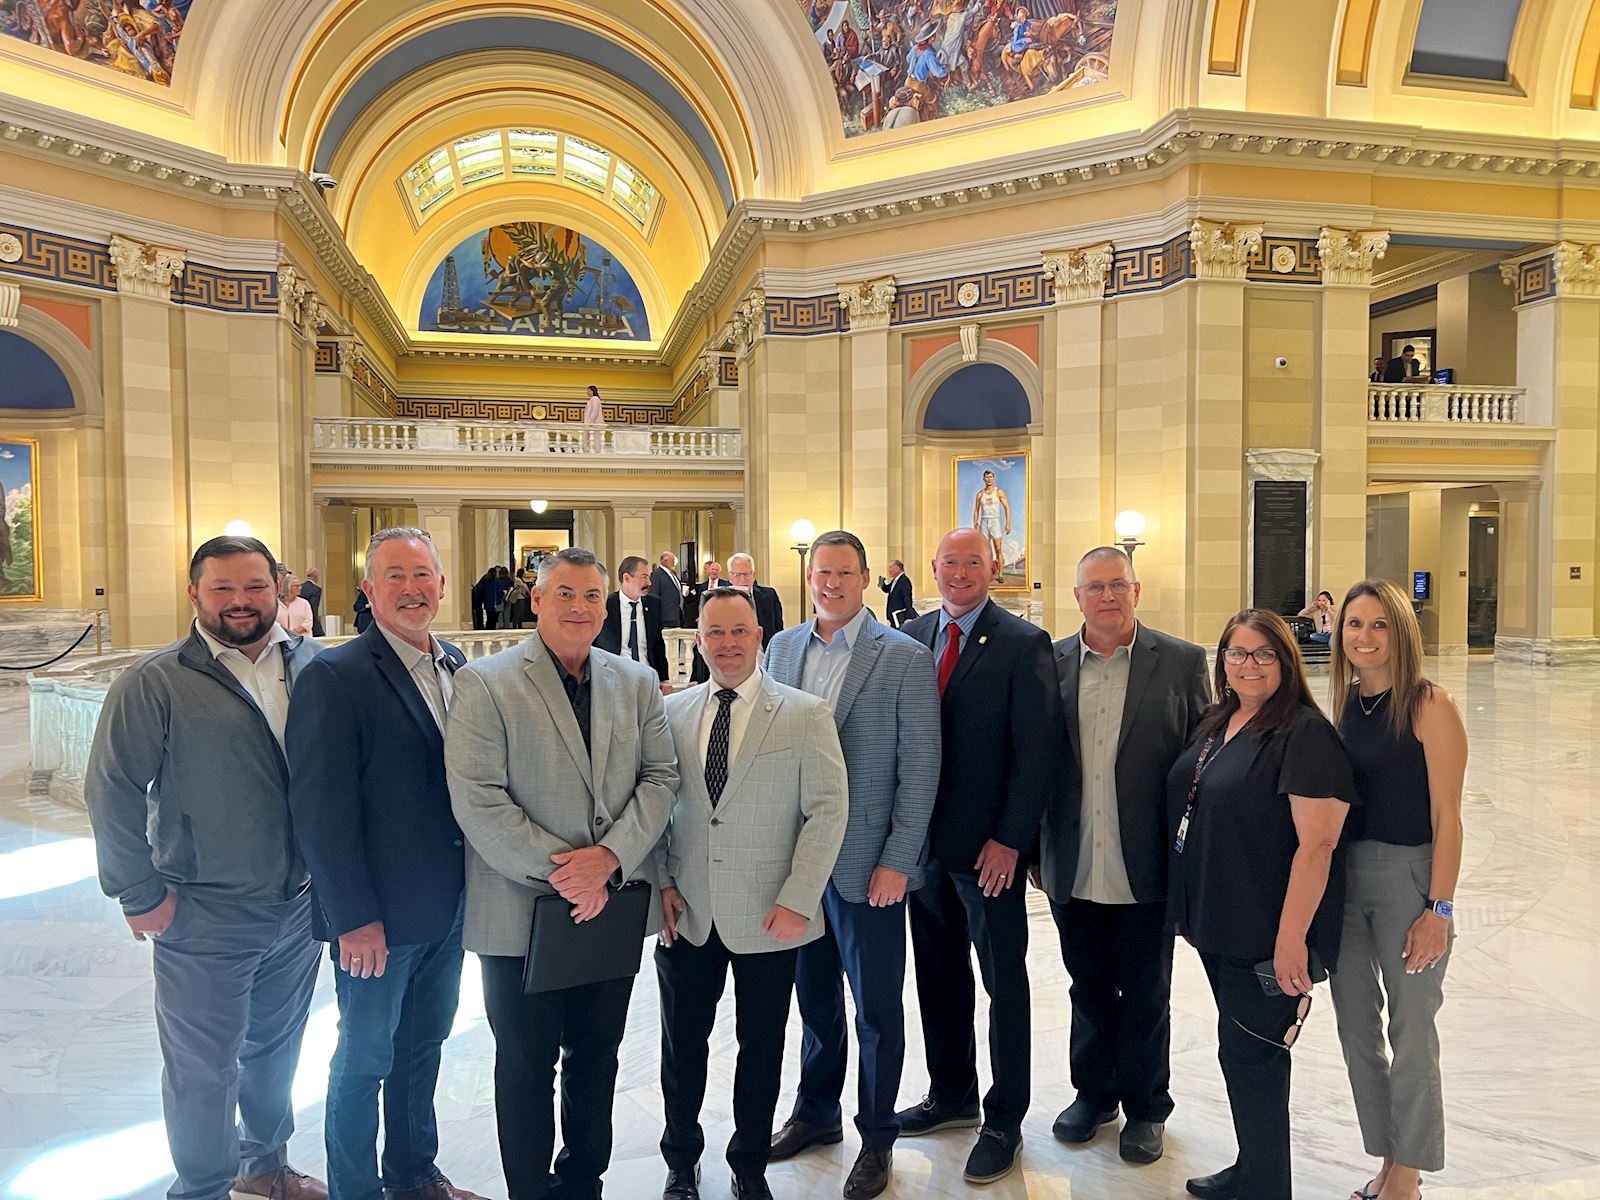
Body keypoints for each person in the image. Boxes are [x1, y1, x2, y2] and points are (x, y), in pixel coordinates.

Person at [84, 535, 328, 1200]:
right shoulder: (155, 680)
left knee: (276, 1050)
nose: (241, 601)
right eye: (223, 588)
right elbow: (111, 789)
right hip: (204, 910)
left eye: (254, 586)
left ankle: (263, 1166)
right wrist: (137, 892)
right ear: (195, 594)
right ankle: (200, 1188)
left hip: (300, 906)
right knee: (203, 1066)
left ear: (279, 587)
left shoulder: (314, 667)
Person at [445, 547, 678, 1200]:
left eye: (592, 596)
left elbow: (662, 778)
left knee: (596, 1059)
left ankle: (583, 1185)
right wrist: (568, 874)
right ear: (537, 600)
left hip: (608, 906)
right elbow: (479, 800)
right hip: (520, 912)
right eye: (566, 594)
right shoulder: (486, 683)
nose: (580, 607)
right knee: (524, 1065)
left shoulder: (634, 681)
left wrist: (608, 861)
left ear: (608, 604)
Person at [287, 528, 484, 1200]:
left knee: (422, 1049)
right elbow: (320, 812)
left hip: (449, 907)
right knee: (365, 1058)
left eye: (422, 574)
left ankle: (412, 1173)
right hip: (377, 920)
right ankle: (355, 1189)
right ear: (368, 591)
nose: (411, 588)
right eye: (394, 575)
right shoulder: (334, 677)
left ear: (441, 585)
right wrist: (353, 918)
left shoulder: (456, 663)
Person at [654, 587, 849, 1200]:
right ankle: (681, 1163)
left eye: (739, 631)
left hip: (772, 916)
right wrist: (660, 882)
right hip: (687, 913)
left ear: (759, 636)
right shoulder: (673, 713)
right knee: (681, 1049)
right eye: (715, 633)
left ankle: (749, 1166)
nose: (727, 644)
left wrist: (798, 898)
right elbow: (657, 805)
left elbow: (827, 811)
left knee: (760, 1049)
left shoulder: (803, 712)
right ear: (699, 640)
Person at [766, 531, 941, 1200]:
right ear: (809, 578)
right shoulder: (781, 648)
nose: (830, 582)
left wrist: (900, 859)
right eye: (821, 572)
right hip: (798, 867)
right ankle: (816, 1113)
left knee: (875, 1011)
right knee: (813, 1002)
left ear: (866, 577)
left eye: (843, 572)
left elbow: (920, 768)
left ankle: (876, 1137)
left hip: (869, 867)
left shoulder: (902, 657)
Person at [1166, 609, 1357, 1200]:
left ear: (1286, 662)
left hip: (1266, 930)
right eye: (1236, 653)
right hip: (1219, 917)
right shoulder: (1219, 719)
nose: (1248, 665)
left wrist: (1290, 939)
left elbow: (1318, 843)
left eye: (1263, 654)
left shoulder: (1303, 733)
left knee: (1257, 1056)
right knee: (1240, 1049)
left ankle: (1268, 1182)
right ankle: (1255, 1169)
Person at [896, 528, 1062, 1185]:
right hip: (925, 850)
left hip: (989, 850)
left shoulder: (1024, 643)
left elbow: (1038, 752)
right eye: (949, 562)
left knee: (1005, 983)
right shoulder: (912, 639)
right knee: (937, 976)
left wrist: (1012, 840)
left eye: (972, 561)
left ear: (993, 567)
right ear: (932, 569)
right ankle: (952, 1093)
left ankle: (1004, 1119)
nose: (959, 572)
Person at [1035, 548, 1211, 1166]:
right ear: (1076, 596)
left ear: (1136, 589)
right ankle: (1093, 1095)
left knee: (1144, 990)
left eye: (1117, 585)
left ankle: (1145, 1107)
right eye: (1094, 587)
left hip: (1148, 861)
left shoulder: (1183, 662)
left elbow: (1201, 764)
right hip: (1073, 856)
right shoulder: (1047, 661)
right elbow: (1033, 760)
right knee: (1086, 984)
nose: (1107, 596)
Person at [1329, 581, 1466, 1200]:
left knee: (1412, 1030)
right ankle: (1387, 1158)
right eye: (1354, 624)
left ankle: (1406, 1176)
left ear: (1401, 632)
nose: (1365, 636)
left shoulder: (1428, 704)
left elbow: (1449, 816)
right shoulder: (1342, 704)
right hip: (1346, 880)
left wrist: (1439, 908)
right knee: (1357, 1028)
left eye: (1379, 624)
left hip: (1410, 878)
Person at [597, 553, 671, 690]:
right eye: (644, 577)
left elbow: (657, 645)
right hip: (613, 680)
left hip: (646, 678)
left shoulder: (654, 604)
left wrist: (664, 678)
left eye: (649, 577)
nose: (649, 582)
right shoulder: (605, 605)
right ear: (627, 578)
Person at [728, 553, 784, 647]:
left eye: (746, 574)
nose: (742, 580)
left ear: (754, 575)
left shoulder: (769, 596)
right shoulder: (719, 601)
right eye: (736, 575)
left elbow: (779, 631)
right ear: (729, 577)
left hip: (765, 656)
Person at [970, 470, 1012, 571]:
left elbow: (1007, 507)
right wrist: (975, 523)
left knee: (998, 548)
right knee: (985, 549)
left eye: (990, 477)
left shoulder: (999, 492)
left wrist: (1008, 523)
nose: (989, 479)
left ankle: (1000, 573)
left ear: (993, 478)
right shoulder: (980, 494)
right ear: (984, 479)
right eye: (987, 477)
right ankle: (986, 572)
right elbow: (976, 510)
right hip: (984, 521)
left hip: (995, 521)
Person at [651, 550, 689, 628]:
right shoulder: (657, 575)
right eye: (673, 560)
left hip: (678, 615)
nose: (675, 563)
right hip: (666, 617)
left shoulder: (673, 574)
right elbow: (653, 596)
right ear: (665, 560)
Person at [877, 559, 915, 628]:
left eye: (891, 567)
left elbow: (907, 600)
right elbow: (888, 590)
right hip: (893, 618)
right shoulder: (895, 580)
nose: (889, 570)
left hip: (899, 618)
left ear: (897, 569)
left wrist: (908, 617)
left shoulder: (904, 581)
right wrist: (882, 584)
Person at [300, 566, 326, 637]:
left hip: (300, 619)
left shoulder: (300, 587)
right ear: (316, 576)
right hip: (311, 622)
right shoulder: (316, 589)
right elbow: (314, 608)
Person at [583, 384, 605, 452]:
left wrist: (590, 422)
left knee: (595, 439)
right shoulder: (593, 399)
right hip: (591, 424)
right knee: (590, 439)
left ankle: (596, 451)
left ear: (592, 391)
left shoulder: (595, 398)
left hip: (594, 424)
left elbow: (594, 411)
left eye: (588, 390)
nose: (587, 392)